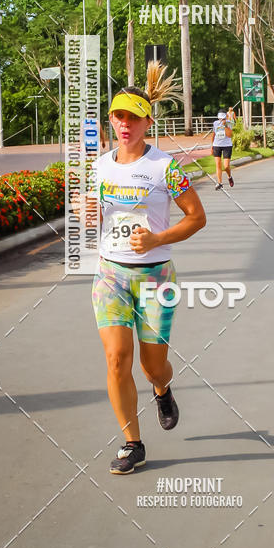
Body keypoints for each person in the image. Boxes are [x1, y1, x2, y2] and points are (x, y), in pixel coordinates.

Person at [91, 86, 206, 474]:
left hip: (156, 276)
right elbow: (97, 219)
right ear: (111, 120)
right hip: (111, 274)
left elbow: (196, 217)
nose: (126, 124)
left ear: (147, 123)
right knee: (116, 359)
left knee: (152, 366)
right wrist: (87, 214)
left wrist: (157, 239)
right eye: (119, 116)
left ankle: (162, 388)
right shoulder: (100, 167)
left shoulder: (166, 168)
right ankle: (132, 444)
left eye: (134, 118)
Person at [212, 110, 234, 190]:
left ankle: (229, 176)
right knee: (218, 164)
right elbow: (214, 134)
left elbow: (229, 135)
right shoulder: (215, 123)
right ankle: (219, 182)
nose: (221, 120)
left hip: (227, 146)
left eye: (223, 118)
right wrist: (212, 145)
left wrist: (225, 126)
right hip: (216, 145)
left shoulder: (230, 123)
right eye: (220, 118)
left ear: (226, 117)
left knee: (226, 166)